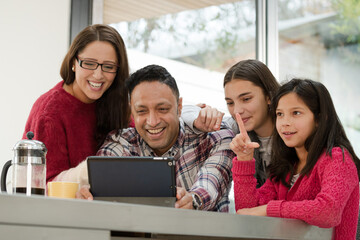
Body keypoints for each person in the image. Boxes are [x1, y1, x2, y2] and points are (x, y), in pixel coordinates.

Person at [77, 64, 235, 212]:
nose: (152, 122)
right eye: (142, 111)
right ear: (132, 110)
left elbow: (209, 184)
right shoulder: (120, 142)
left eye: (163, 109)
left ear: (179, 107)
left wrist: (192, 200)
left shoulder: (217, 139)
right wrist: (90, 194)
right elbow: (103, 189)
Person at [231, 78, 360, 239]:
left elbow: (328, 212)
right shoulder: (285, 167)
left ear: (320, 119)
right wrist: (244, 160)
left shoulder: (337, 159)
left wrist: (268, 209)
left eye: (296, 113)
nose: (285, 123)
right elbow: (247, 213)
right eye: (280, 114)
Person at [23, 24, 133, 185]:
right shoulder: (50, 113)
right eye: (89, 63)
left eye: (108, 67)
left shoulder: (117, 103)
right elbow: (44, 186)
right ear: (74, 62)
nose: (98, 75)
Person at [182, 59, 279, 187]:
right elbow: (184, 112)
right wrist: (199, 119)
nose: (237, 111)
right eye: (230, 103)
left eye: (246, 99)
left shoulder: (292, 131)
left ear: (268, 96)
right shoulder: (236, 127)